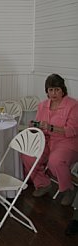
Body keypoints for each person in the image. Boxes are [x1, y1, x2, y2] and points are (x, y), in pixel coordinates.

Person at [22, 74, 78, 206]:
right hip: (46, 140)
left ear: (63, 90)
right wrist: (34, 125)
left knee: (55, 161)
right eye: (50, 90)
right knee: (27, 155)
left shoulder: (73, 105)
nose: (54, 93)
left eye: (57, 89)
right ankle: (43, 184)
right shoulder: (42, 105)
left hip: (67, 141)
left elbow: (72, 130)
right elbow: (40, 126)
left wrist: (51, 127)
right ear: (46, 91)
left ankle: (69, 189)